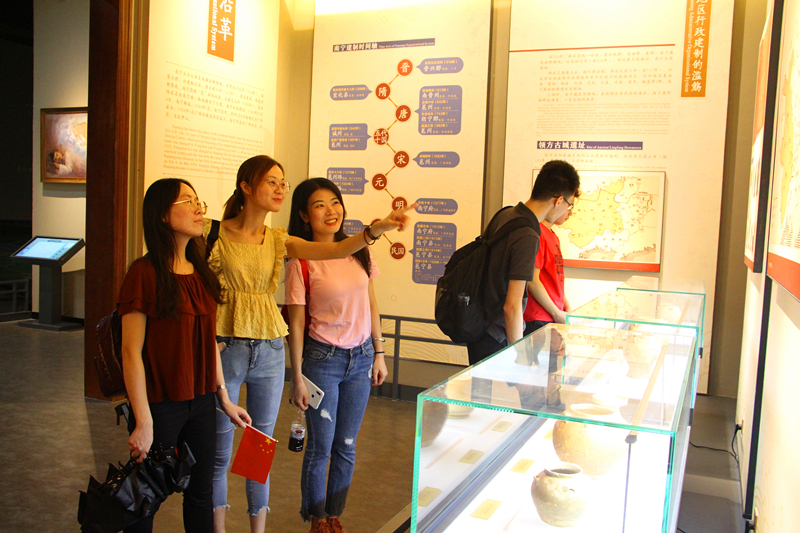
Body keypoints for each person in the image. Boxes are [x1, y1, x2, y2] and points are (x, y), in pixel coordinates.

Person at [207, 156, 412, 533]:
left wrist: (376, 229)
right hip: (228, 348)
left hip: (270, 350)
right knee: (219, 454)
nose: (279, 189)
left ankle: (261, 529)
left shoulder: (279, 240)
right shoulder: (213, 233)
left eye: (282, 182)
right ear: (246, 187)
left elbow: (336, 251)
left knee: (259, 447)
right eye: (271, 182)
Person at [119, 178, 251, 533]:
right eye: (187, 201)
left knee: (200, 493)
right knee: (144, 499)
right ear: (163, 214)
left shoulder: (201, 272)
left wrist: (224, 399)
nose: (198, 209)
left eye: (198, 201)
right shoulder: (143, 274)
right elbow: (130, 352)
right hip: (160, 403)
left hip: (202, 401)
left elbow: (208, 343)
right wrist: (143, 420)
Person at [283, 178, 388, 533]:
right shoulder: (300, 261)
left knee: (347, 444)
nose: (331, 211)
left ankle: (334, 515)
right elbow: (296, 322)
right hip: (322, 361)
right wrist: (296, 376)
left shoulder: (360, 251)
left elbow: (372, 304)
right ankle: (317, 519)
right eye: (319, 205)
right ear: (304, 215)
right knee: (321, 447)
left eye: (335, 202)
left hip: (361, 358)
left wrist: (379, 353)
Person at [467, 159, 580, 366]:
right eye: (569, 204)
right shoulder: (528, 235)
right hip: (496, 334)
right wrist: (519, 355)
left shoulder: (506, 214)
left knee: (480, 385)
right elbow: (512, 305)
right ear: (558, 201)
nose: (568, 210)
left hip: (478, 324)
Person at [524, 205, 573, 334]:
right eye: (569, 207)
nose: (570, 213)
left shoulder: (553, 236)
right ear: (559, 202)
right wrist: (556, 312)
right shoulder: (538, 233)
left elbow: (555, 279)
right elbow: (532, 280)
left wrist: (566, 305)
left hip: (555, 314)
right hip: (539, 316)